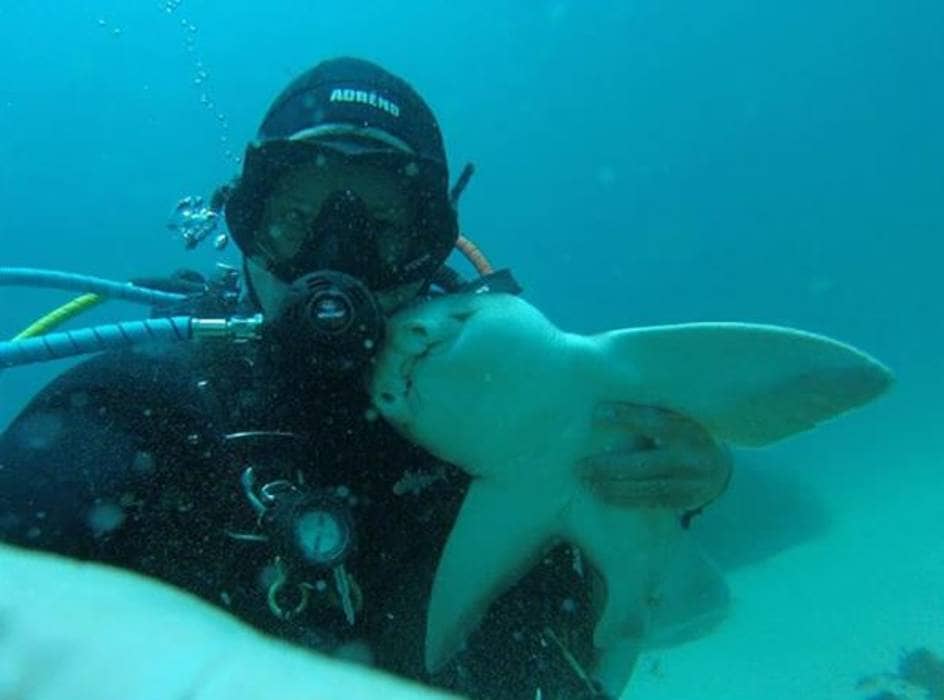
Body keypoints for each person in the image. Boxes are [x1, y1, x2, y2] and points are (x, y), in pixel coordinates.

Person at [0, 57, 727, 699]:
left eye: (382, 227)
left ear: (432, 246)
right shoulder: (147, 398)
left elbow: (625, 595)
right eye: (294, 218)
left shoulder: (516, 407)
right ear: (244, 223)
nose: (336, 263)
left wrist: (664, 482)